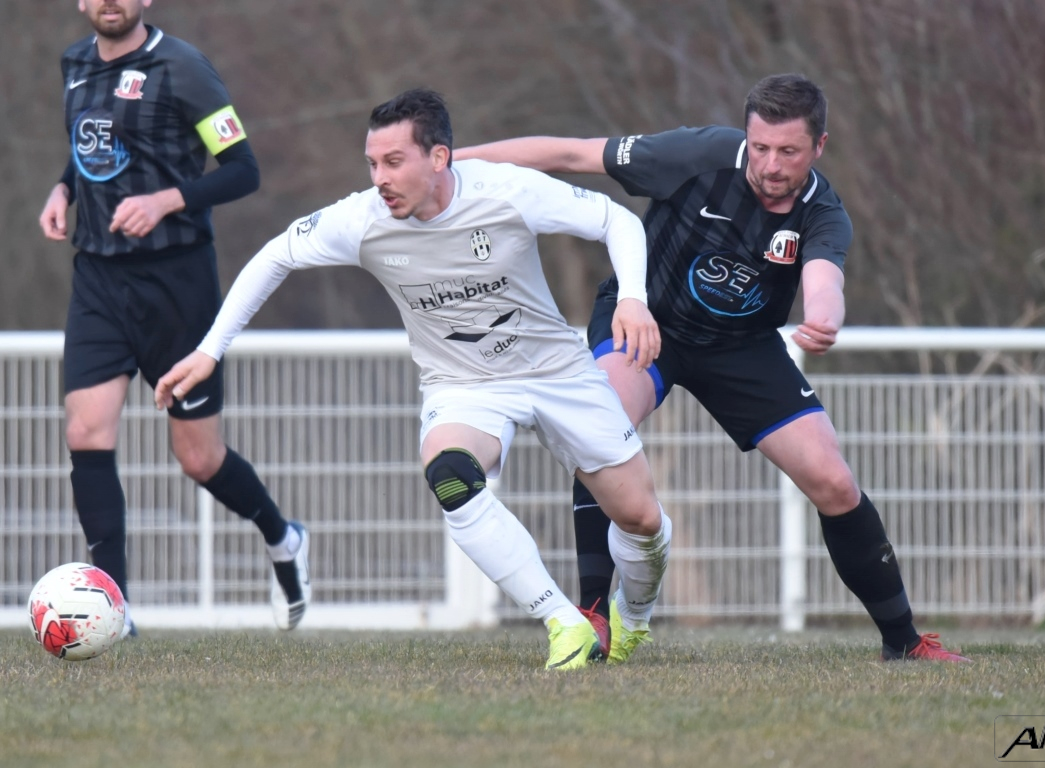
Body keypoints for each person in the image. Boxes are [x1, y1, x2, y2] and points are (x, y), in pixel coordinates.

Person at [455, 73, 969, 662]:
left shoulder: (823, 212)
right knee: (602, 427)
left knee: (834, 482)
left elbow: (825, 278)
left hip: (742, 347)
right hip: (647, 323)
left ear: (820, 146)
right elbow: (569, 154)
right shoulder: (694, 156)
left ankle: (903, 641)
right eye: (761, 147)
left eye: (789, 151)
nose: (771, 165)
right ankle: (593, 614)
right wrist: (451, 165)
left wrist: (825, 318)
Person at [153, 88, 673, 670]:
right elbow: (276, 256)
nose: (380, 178)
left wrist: (632, 298)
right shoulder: (363, 220)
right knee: (449, 473)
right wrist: (210, 351)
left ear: (439, 158)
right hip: (462, 385)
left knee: (641, 519)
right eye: (373, 163)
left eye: (394, 161)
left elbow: (615, 220)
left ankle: (634, 616)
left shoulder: (506, 190)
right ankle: (562, 623)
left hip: (558, 373)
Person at [37, 0, 310, 634]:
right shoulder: (74, 63)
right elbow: (91, 146)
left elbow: (243, 171)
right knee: (86, 430)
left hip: (178, 284)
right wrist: (63, 187)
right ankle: (114, 608)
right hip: (99, 277)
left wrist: (167, 200)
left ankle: (283, 536)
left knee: (198, 457)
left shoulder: (184, 69)